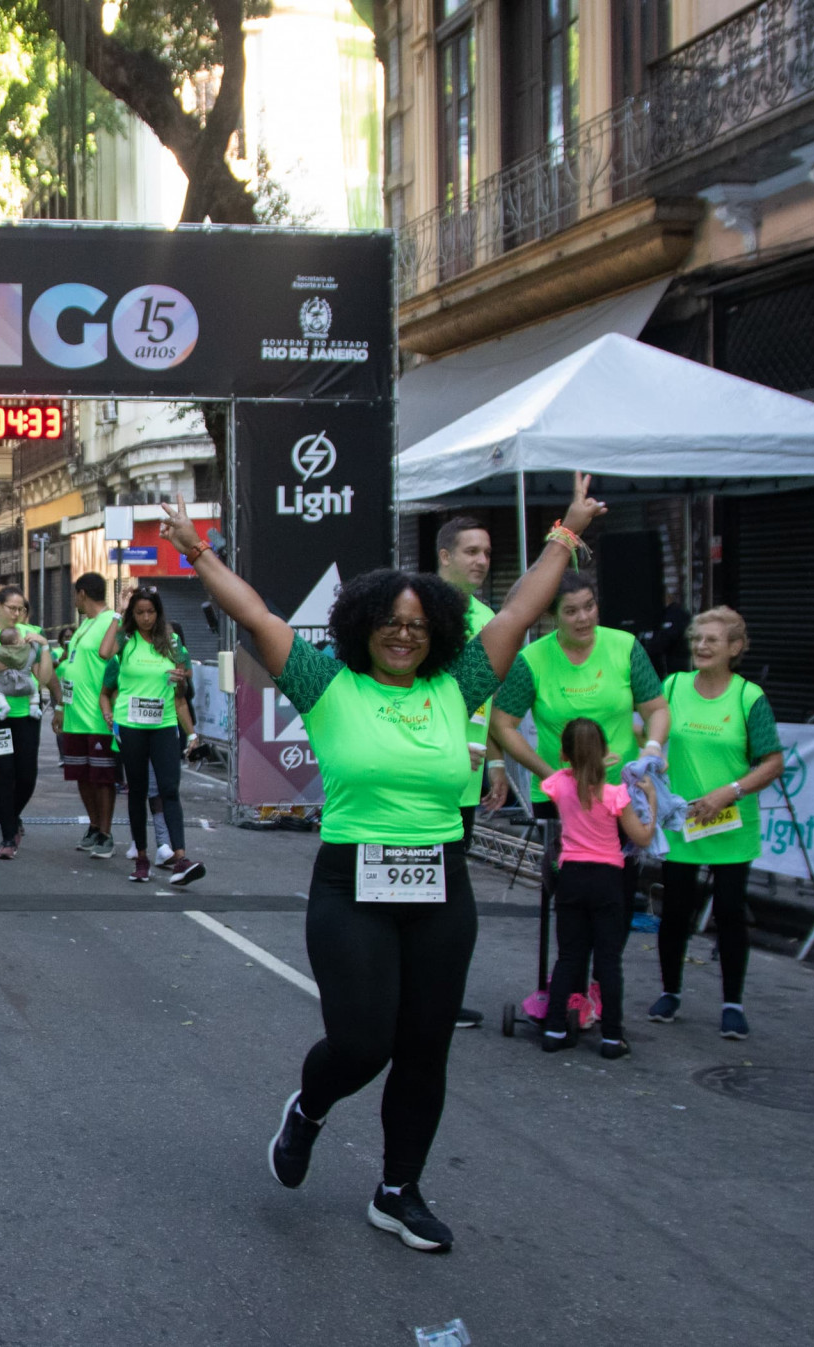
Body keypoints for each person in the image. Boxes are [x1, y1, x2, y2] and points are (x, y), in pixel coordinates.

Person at [168, 473, 607, 1254]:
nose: (403, 634)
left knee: (426, 1044)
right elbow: (256, 613)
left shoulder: (458, 684)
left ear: (435, 629)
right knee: (364, 1040)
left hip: (443, 883)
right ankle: (307, 1109)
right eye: (389, 623)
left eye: (416, 624)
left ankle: (398, 1188)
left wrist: (565, 532)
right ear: (364, 626)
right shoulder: (327, 685)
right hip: (352, 884)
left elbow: (516, 611)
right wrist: (198, 550)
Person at [490, 571, 671, 937]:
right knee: (571, 901)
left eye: (589, 607)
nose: (584, 618)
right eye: (571, 611)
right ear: (552, 616)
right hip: (560, 797)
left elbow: (657, 709)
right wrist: (547, 773)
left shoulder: (625, 646)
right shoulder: (533, 659)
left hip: (619, 793)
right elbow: (501, 723)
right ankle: (571, 985)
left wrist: (651, 747)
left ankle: (602, 984)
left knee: (617, 900)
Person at [649, 607, 784, 1039]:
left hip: (730, 824)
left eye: (712, 640)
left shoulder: (749, 697)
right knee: (674, 912)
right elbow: (647, 732)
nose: (701, 646)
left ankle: (732, 1003)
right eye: (697, 638)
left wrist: (731, 791)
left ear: (735, 648)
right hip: (682, 822)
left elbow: (772, 762)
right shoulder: (671, 685)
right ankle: (670, 993)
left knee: (728, 912)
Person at [538, 718, 658, 1059]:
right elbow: (643, 837)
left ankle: (554, 1028)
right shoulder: (616, 795)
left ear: (563, 754)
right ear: (605, 752)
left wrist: (585, 759)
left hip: (571, 876)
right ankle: (611, 1038)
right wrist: (651, 799)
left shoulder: (558, 785)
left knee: (568, 957)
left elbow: (567, 772)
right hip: (607, 879)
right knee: (608, 961)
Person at [434, 515, 503, 1032]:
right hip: (419, 775)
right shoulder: (417, 610)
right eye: (470, 551)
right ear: (445, 557)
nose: (481, 561)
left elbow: (490, 699)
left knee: (450, 891)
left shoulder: (489, 619)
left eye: (485, 552)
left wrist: (497, 759)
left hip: (466, 782)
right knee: (412, 885)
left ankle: (442, 996)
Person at [99, 588, 205, 886]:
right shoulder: (126, 640)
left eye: (150, 612)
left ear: (158, 613)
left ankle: (181, 858)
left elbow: (181, 696)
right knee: (138, 790)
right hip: (130, 726)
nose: (146, 618)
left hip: (163, 725)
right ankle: (142, 857)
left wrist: (192, 733)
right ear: (133, 615)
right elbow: (104, 652)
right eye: (139, 612)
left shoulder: (172, 645)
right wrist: (118, 612)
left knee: (170, 788)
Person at [0, 586, 51, 860]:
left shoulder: (32, 633)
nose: (17, 614)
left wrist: (45, 646)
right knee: (3, 773)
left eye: (21, 609)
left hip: (26, 713)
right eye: (12, 608)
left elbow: (43, 677)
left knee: (27, 775)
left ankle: (11, 816)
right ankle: (7, 836)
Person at [50, 573, 120, 858]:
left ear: (82, 594)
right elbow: (69, 669)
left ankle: (106, 833)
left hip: (98, 717)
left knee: (103, 778)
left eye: (75, 596)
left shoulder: (112, 621)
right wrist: (60, 707)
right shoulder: (83, 626)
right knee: (81, 775)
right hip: (74, 716)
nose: (75, 600)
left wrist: (112, 708)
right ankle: (93, 826)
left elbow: (117, 667)